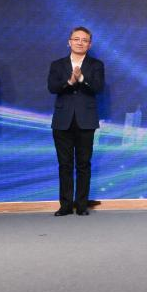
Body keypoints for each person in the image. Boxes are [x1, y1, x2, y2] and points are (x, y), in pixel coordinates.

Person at [48, 27, 104, 216]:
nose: (80, 42)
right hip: (62, 120)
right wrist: (70, 82)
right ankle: (65, 205)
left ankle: (81, 205)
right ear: (69, 42)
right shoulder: (57, 64)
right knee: (64, 164)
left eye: (84, 40)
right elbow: (52, 87)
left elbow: (98, 87)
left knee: (83, 164)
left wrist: (82, 78)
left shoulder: (96, 65)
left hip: (86, 120)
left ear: (90, 44)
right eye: (76, 39)